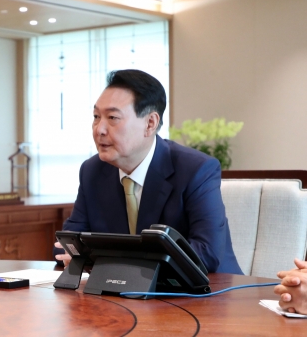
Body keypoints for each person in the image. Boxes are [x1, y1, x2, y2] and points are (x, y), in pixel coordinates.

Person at [54, 69, 242, 274]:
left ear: (150, 123)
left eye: (112, 117)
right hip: (126, 294)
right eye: (96, 117)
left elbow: (206, 254)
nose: (99, 129)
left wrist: (108, 258)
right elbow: (65, 245)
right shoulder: (93, 171)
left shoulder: (195, 170)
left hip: (210, 293)